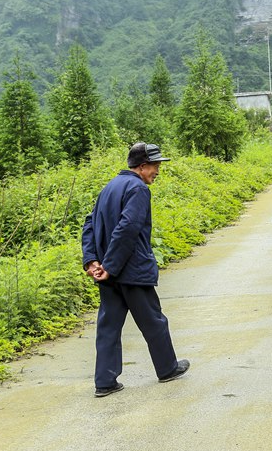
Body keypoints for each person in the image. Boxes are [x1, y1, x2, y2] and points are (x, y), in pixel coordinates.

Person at [81, 142, 190, 397]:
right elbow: (128, 228)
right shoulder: (138, 189)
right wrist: (109, 264)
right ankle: (167, 369)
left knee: (108, 327)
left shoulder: (109, 187)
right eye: (155, 166)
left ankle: (105, 382)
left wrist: (92, 260)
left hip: (110, 274)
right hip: (130, 271)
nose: (158, 171)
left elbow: (89, 224)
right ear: (142, 166)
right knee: (154, 321)